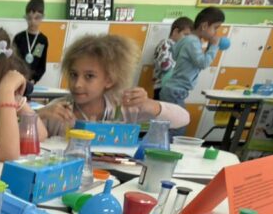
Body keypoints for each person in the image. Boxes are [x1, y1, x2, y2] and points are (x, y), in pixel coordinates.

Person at [38, 34, 190, 137]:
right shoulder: (57, 111)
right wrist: (38, 115)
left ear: (109, 80)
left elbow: (183, 118)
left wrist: (149, 105)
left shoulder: (123, 106)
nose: (77, 84)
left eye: (89, 76)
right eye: (73, 74)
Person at [159, 7, 226, 112]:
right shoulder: (193, 42)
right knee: (179, 121)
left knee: (170, 119)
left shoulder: (187, 39)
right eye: (215, 28)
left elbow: (175, 54)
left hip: (172, 89)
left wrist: (208, 47)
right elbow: (203, 63)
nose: (216, 33)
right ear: (204, 26)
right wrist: (213, 47)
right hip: (176, 91)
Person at [152, 16, 193, 99]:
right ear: (175, 31)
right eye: (185, 35)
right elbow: (164, 66)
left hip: (176, 88)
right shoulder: (166, 44)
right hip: (163, 87)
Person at [12, 0, 49, 84]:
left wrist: (34, 80)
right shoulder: (19, 37)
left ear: (42, 17)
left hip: (31, 82)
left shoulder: (42, 40)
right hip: (16, 78)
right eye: (29, 18)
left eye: (36, 18)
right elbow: (13, 60)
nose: (32, 22)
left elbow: (41, 65)